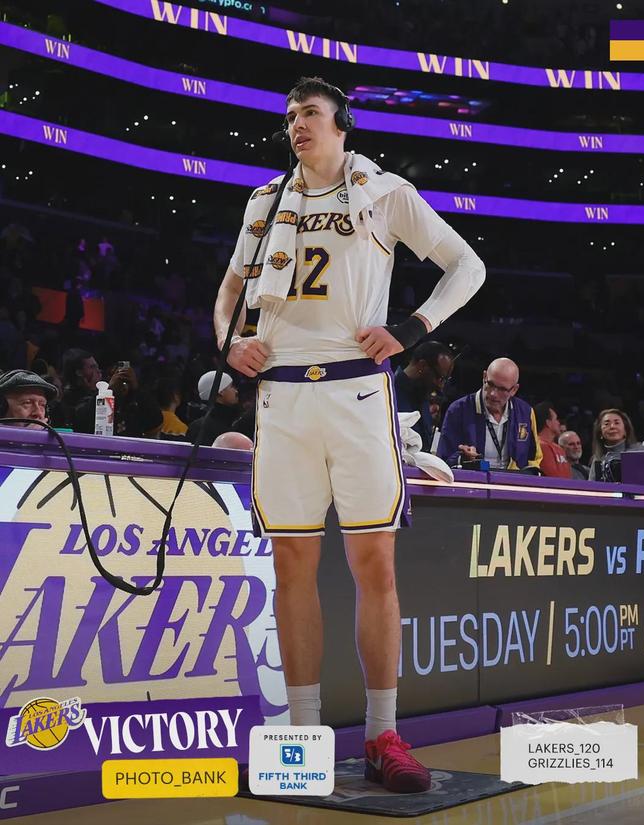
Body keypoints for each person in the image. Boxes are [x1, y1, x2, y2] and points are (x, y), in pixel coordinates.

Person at [213, 76, 485, 793]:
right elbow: (232, 290)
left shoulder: (385, 192)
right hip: (282, 397)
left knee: (375, 567)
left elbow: (468, 265)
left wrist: (412, 328)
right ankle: (302, 739)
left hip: (359, 391)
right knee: (291, 568)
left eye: (310, 113)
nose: (296, 125)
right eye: (289, 116)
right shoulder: (264, 201)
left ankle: (382, 735)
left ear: (341, 126)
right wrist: (229, 341)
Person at [439, 357, 542, 471]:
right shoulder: (458, 410)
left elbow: (534, 458)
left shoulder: (525, 413)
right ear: (484, 377)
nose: (493, 394)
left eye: (502, 389)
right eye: (490, 384)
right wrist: (462, 458)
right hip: (473, 479)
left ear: (514, 390)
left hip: (513, 480)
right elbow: (443, 459)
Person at [393, 341, 454, 451]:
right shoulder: (389, 392)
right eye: (439, 378)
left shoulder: (423, 396)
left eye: (445, 380)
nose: (441, 386)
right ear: (422, 365)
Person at [589, 408, 644, 481]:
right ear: (600, 433)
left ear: (625, 430)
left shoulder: (640, 451)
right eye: (607, 424)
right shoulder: (597, 459)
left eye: (617, 423)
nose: (612, 426)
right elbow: (591, 485)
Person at [186, 371, 240, 446]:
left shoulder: (197, 425)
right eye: (232, 387)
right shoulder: (202, 427)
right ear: (221, 391)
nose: (236, 391)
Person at [534, 402, 571, 478]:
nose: (558, 423)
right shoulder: (540, 446)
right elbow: (552, 477)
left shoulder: (559, 448)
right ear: (548, 423)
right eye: (556, 419)